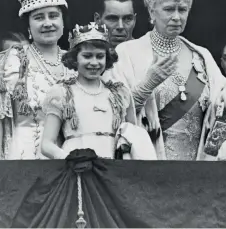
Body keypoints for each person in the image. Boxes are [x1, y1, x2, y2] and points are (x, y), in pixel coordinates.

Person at [103, 0, 226, 160]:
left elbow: (218, 105)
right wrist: (146, 86)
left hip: (197, 167)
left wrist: (224, 99)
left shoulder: (202, 56)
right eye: (169, 9)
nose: (176, 17)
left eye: (182, 10)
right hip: (147, 163)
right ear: (151, 11)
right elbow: (110, 115)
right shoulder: (126, 54)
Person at [0, 0, 76, 160]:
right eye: (39, 17)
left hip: (69, 158)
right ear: (28, 26)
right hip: (23, 158)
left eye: (53, 16)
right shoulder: (11, 61)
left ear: (63, 22)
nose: (47, 23)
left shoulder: (76, 61)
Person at [41, 22, 156, 160]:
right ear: (75, 58)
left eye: (100, 56)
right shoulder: (62, 93)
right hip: (76, 168)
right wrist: (68, 159)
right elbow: (46, 144)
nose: (94, 63)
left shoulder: (119, 93)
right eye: (87, 56)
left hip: (112, 169)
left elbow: (130, 136)